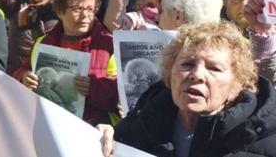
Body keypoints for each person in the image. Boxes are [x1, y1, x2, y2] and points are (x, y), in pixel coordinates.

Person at [99, 21, 276, 157]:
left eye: (214, 68)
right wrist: (97, 140)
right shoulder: (141, 122)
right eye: (187, 64)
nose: (197, 75)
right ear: (169, 73)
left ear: (236, 85)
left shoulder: (262, 139)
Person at [14, 0, 118, 125]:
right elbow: (22, 70)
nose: (85, 16)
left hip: (94, 128)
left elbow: (121, 92)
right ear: (60, 12)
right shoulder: (43, 43)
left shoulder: (108, 45)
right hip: (50, 123)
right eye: (77, 9)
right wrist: (24, 77)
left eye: (90, 9)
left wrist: (93, 88)